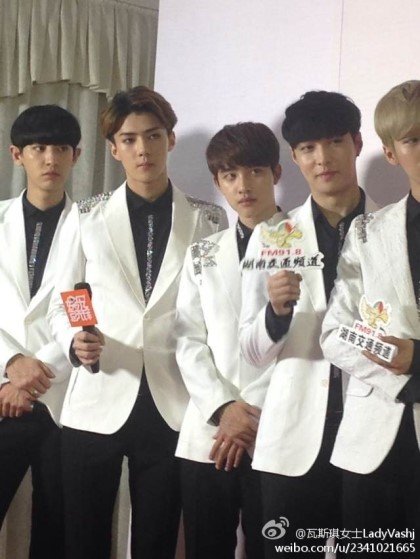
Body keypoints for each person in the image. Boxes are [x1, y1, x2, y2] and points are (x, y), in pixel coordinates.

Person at [47, 85, 227, 559]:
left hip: (173, 401)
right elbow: (66, 297)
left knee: (156, 541)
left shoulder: (210, 219)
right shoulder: (85, 215)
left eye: (153, 136)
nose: (142, 149)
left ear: (170, 139)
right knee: (82, 540)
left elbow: (217, 312)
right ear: (113, 149)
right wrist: (75, 338)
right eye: (129, 139)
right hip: (97, 393)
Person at [239, 91, 378, 558]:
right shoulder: (272, 236)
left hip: (374, 432)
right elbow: (250, 351)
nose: (322, 158)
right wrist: (275, 315)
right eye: (307, 148)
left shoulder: (391, 227)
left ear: (357, 143)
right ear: (295, 158)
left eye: (334, 142)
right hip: (294, 434)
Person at [321, 80, 420, 558]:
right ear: (391, 153)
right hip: (373, 442)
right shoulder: (367, 232)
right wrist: (400, 369)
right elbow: (335, 333)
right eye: (413, 139)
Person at [175, 122, 282, 559]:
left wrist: (249, 414)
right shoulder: (202, 252)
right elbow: (187, 339)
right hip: (209, 432)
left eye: (255, 171)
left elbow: (305, 340)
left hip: (275, 428)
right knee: (205, 547)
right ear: (218, 182)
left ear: (276, 173)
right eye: (230, 175)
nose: (243, 186)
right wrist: (224, 408)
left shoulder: (306, 244)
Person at [0, 105, 80, 558]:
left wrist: (33, 375)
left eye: (61, 149)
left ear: (76, 155)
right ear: (17, 155)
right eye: (39, 148)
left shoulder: (92, 228)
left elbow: (86, 312)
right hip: (1, 396)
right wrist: (10, 365)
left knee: (57, 531)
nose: (51, 159)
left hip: (61, 400)